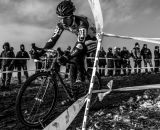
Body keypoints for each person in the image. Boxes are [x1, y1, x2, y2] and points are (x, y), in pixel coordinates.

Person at [31, 0, 97, 101]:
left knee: (77, 52)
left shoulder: (82, 22)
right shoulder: (61, 24)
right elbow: (53, 40)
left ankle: (81, 79)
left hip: (93, 40)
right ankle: (74, 96)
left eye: (65, 19)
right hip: (82, 41)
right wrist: (42, 52)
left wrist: (68, 56)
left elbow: (80, 44)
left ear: (71, 16)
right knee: (72, 65)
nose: (62, 21)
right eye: (60, 18)